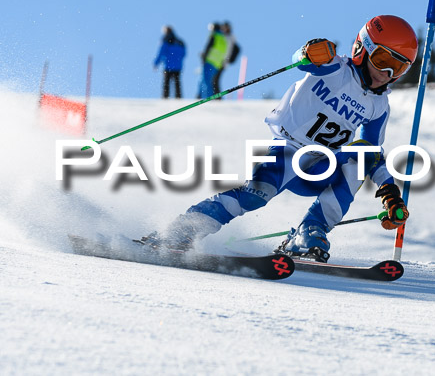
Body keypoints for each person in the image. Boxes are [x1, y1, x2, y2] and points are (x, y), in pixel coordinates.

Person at [143, 15, 418, 262]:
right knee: (256, 196)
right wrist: (310, 51)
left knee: (360, 157)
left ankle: (310, 231)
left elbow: (371, 153)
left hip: (322, 166)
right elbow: (300, 60)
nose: (388, 74)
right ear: (362, 48)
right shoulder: (335, 67)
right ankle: (184, 229)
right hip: (288, 151)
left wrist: (389, 193)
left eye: (399, 68)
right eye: (384, 61)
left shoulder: (379, 106)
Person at [198, 22, 231, 99]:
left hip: (210, 61)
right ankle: (208, 97)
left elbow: (208, 47)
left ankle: (206, 98)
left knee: (205, 81)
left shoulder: (214, 36)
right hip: (217, 64)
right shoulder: (223, 38)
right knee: (210, 81)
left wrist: (204, 57)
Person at [153, 26, 186, 98]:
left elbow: (161, 53)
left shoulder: (165, 41)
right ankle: (179, 98)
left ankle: (165, 98)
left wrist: (156, 63)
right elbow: (183, 54)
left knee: (166, 83)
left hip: (168, 66)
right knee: (177, 83)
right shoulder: (180, 42)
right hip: (178, 66)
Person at [212, 21, 240, 96]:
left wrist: (230, 60)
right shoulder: (223, 36)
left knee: (215, 79)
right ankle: (215, 96)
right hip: (218, 60)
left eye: (225, 27)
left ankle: (217, 97)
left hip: (223, 62)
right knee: (213, 79)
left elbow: (237, 49)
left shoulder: (230, 37)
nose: (224, 29)